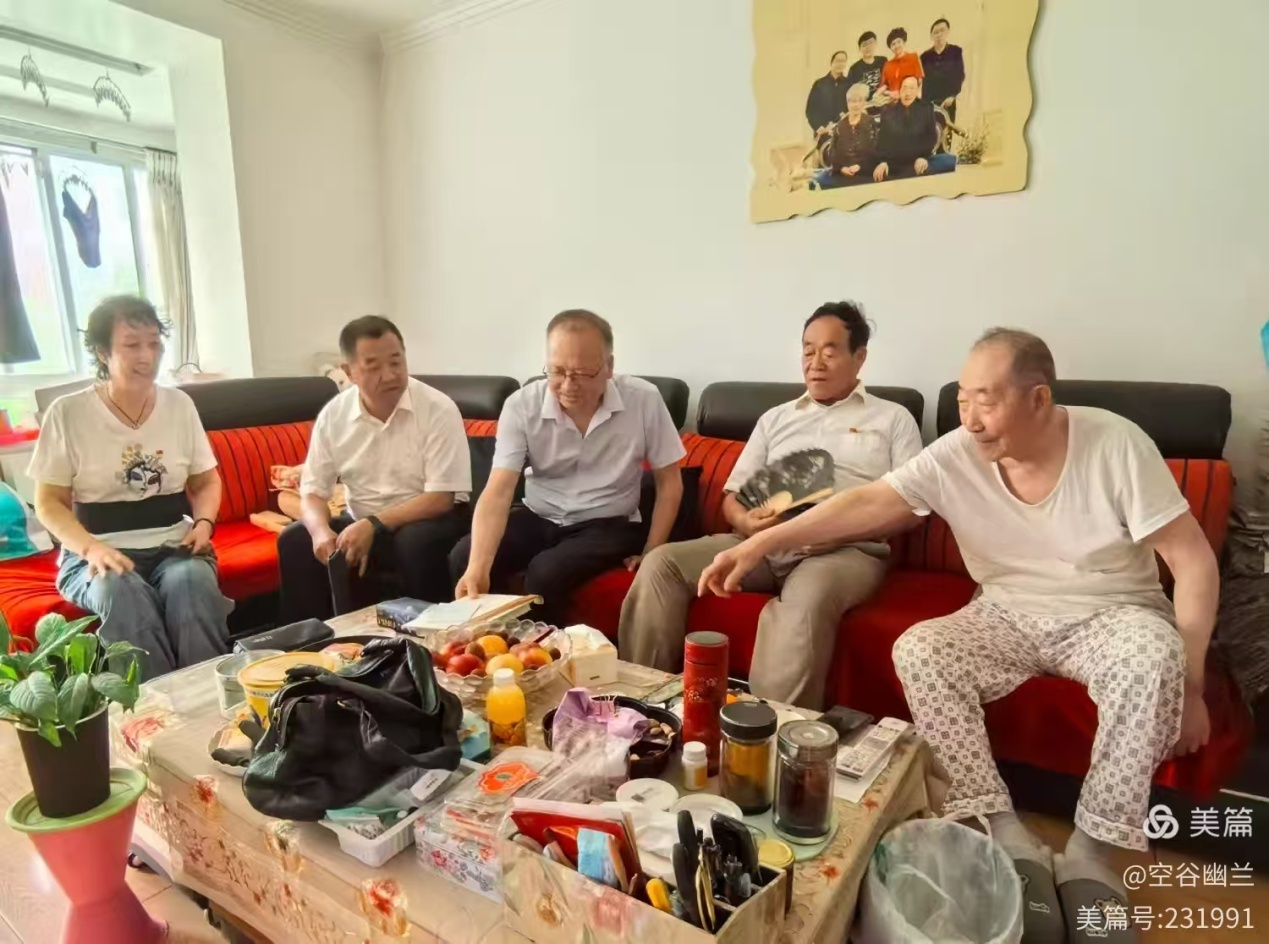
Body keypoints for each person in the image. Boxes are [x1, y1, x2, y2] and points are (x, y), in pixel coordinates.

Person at [698, 329, 1217, 941]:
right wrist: (760, 542)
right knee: (922, 649)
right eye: (963, 399)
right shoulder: (959, 452)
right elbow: (868, 502)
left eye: (986, 401)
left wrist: (1191, 686)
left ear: (1039, 398)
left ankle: (1091, 852)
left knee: (1154, 655)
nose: (970, 419)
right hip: (1006, 612)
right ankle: (1004, 830)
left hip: (1112, 613)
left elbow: (1193, 562)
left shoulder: (1116, 443)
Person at [620, 303, 922, 710]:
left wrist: (834, 529)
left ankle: (766, 734)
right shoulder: (776, 418)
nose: (815, 363)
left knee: (804, 605)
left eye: (830, 351)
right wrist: (747, 522)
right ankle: (641, 709)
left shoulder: (893, 419)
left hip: (842, 549)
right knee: (663, 565)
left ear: (860, 357)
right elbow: (732, 498)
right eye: (808, 350)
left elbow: (909, 506)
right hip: (761, 542)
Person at [29, 296, 229, 679]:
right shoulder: (68, 413)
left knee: (192, 584)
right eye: (132, 345)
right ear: (103, 352)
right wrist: (91, 548)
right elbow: (49, 502)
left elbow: (206, 481)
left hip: (175, 545)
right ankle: (154, 706)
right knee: (121, 592)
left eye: (154, 343)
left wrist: (204, 523)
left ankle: (206, 695)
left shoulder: (179, 405)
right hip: (96, 551)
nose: (147, 356)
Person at [451, 310, 685, 626]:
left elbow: (669, 482)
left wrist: (652, 550)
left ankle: (544, 653)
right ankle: (481, 650)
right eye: (557, 371)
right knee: (464, 556)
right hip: (540, 514)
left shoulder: (643, 400)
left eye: (583, 373)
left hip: (607, 522)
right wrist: (478, 566)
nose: (568, 385)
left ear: (609, 367)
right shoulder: (521, 406)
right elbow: (498, 491)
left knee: (545, 575)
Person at [278, 316, 472, 621]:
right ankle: (320, 642)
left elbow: (441, 498)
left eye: (396, 361)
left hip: (431, 518)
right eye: (373, 367)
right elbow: (313, 492)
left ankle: (432, 637)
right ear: (349, 372)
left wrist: (374, 524)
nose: (390, 375)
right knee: (295, 540)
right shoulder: (334, 416)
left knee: (414, 543)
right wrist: (320, 532)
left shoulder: (437, 408)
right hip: (363, 520)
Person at [874, 76, 956, 181]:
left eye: (911, 88)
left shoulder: (926, 108)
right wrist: (883, 162)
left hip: (920, 161)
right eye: (904, 88)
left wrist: (923, 157)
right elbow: (883, 141)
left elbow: (930, 138)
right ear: (899, 90)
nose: (907, 93)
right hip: (895, 165)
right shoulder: (888, 111)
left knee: (952, 162)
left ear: (917, 91)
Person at [814, 84, 879, 190]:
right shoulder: (840, 125)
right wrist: (841, 168)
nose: (856, 105)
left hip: (865, 172)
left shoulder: (870, 122)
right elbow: (833, 153)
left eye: (859, 101)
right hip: (842, 172)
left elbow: (875, 151)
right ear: (847, 103)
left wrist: (860, 166)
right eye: (853, 101)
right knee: (820, 180)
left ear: (864, 103)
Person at [921, 18, 965, 122]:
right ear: (931, 36)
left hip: (948, 102)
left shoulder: (955, 52)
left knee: (947, 130)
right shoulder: (925, 57)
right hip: (929, 103)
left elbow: (960, 75)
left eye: (942, 30)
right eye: (936, 32)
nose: (939, 34)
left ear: (948, 31)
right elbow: (923, 81)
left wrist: (952, 97)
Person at [804, 51, 851, 138]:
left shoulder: (849, 84)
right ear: (831, 62)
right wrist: (818, 127)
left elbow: (850, 109)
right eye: (838, 61)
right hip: (822, 131)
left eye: (843, 61)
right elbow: (810, 110)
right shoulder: (820, 84)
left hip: (842, 131)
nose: (840, 64)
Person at [845, 32, 889, 103]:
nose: (868, 47)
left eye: (870, 43)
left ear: (876, 44)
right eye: (864, 45)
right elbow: (850, 93)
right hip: (864, 106)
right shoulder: (854, 69)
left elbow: (889, 82)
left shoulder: (883, 61)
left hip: (883, 102)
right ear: (860, 49)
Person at [880, 27, 924, 97]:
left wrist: (917, 98)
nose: (897, 46)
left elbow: (920, 81)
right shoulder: (888, 65)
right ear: (890, 48)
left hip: (911, 99)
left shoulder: (913, 57)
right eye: (893, 44)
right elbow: (882, 88)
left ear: (903, 42)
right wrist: (890, 93)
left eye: (899, 42)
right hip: (893, 100)